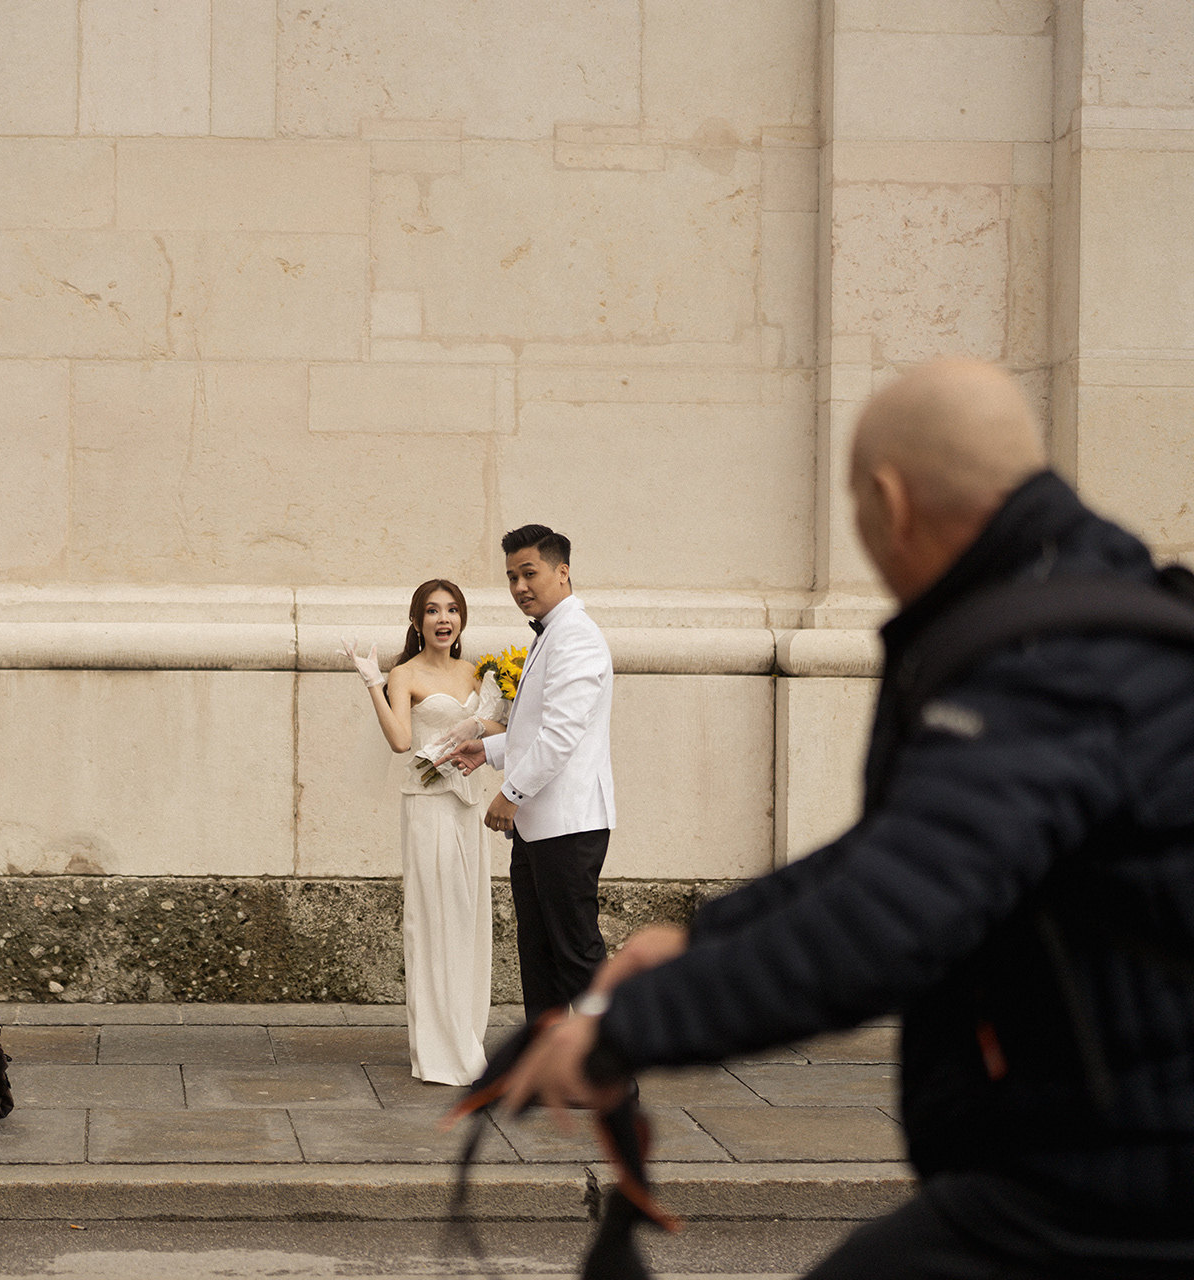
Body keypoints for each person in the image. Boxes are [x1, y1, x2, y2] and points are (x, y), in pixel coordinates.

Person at [510, 359, 1194, 1276]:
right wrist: (705, 938)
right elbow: (896, 850)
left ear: (889, 501)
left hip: (1120, 1180)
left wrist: (633, 1025)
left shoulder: (1043, 663)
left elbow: (891, 912)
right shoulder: (1090, 610)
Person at [445, 527, 616, 1024]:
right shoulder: (552, 633)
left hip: (568, 824)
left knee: (577, 955)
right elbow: (538, 729)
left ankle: (612, 1059)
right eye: (511, 577)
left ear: (562, 572)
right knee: (539, 955)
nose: (519, 586)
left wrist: (511, 793)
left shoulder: (576, 636)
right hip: (540, 825)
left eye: (529, 573)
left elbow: (562, 734)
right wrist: (488, 750)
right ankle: (546, 1056)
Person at [342, 580, 505, 1085]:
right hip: (429, 808)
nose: (443, 618)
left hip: (468, 807)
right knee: (435, 919)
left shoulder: (479, 672)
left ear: (462, 619)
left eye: (452, 610)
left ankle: (466, 1037)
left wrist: (479, 728)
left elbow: (501, 729)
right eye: (432, 611)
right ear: (417, 621)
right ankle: (438, 1050)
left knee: (468, 916)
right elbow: (400, 741)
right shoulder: (405, 674)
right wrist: (373, 682)